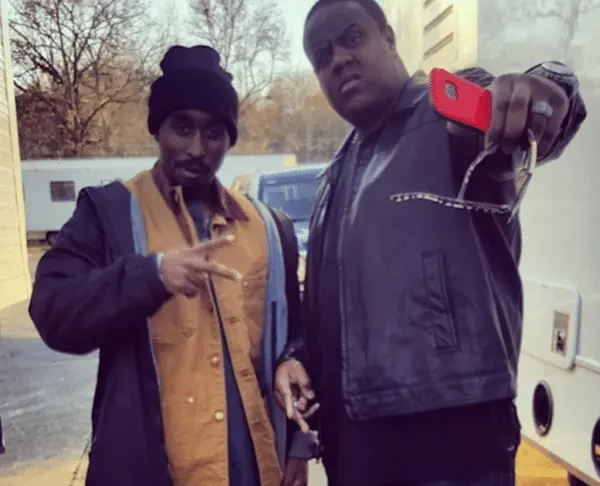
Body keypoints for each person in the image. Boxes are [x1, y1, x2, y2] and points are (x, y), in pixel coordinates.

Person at [274, 1, 587, 485]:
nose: (338, 59)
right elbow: (322, 311)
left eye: (352, 38)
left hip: (451, 441)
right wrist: (297, 355)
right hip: (352, 448)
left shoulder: (447, 113)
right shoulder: (331, 177)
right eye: (321, 56)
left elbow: (518, 109)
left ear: (388, 38)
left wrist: (548, 87)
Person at [29, 45, 315, 486]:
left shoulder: (267, 226)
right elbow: (53, 311)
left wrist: (298, 438)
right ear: (157, 128)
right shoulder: (109, 213)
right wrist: (151, 276)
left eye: (214, 132)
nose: (197, 148)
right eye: (181, 127)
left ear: (230, 139)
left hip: (257, 468)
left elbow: (297, 333)